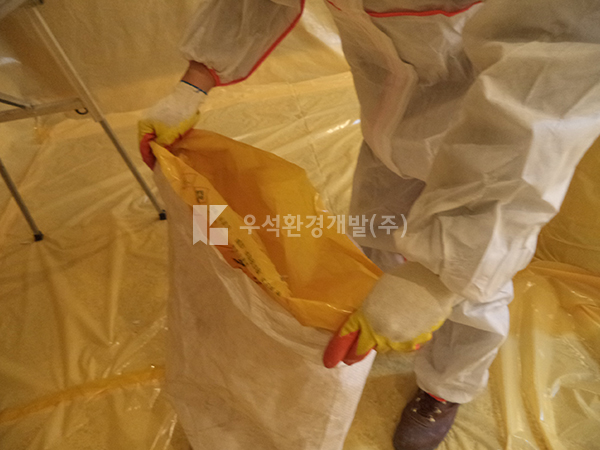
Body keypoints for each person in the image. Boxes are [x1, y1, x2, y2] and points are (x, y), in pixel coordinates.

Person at [138, 1, 600, 449]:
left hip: (487, 148)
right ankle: (378, 320)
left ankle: (444, 387)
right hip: (387, 121)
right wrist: (193, 85)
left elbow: (552, 70)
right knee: (372, 232)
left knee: (474, 285)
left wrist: (439, 274)